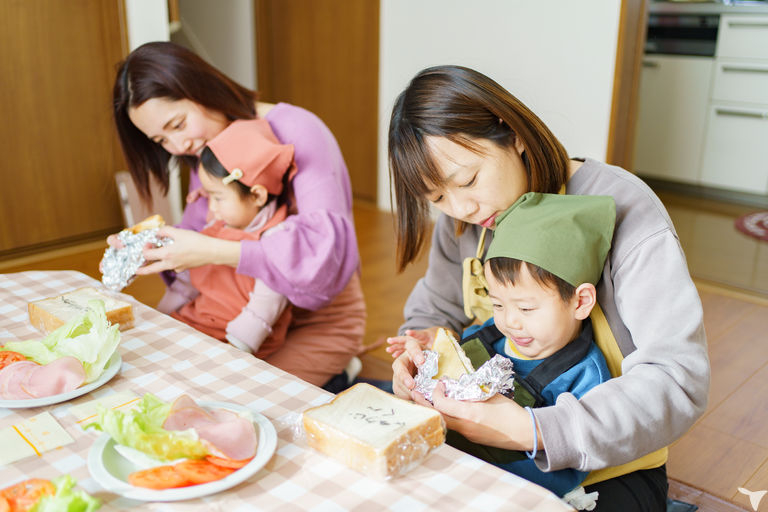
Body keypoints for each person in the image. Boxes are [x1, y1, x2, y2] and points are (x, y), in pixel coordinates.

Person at [386, 65, 709, 510]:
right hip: (483, 438)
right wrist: (419, 350)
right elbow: (434, 309)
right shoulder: (465, 219)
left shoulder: (630, 211)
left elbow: (677, 380)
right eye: (438, 199)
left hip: (607, 469)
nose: (461, 207)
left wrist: (530, 429)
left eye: (467, 181)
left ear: (513, 134)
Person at [111, 41, 365, 390]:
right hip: (240, 314)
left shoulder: (298, 129)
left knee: (238, 402)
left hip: (318, 320)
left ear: (202, 89)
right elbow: (197, 235)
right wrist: (148, 248)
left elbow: (322, 251)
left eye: (178, 124)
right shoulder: (207, 153)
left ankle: (339, 371)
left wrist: (215, 251)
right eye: (160, 140)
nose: (177, 146)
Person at [442, 192, 614, 502]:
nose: (510, 322)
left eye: (526, 309)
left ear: (580, 301)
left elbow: (571, 465)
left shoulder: (585, 377)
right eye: (497, 304)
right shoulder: (489, 337)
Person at [156, 118, 295, 358]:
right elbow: (188, 283)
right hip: (198, 324)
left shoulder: (276, 241)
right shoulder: (219, 224)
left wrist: (234, 352)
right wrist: (159, 318)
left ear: (257, 195)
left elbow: (263, 308)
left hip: (234, 339)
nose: (211, 208)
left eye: (218, 198)